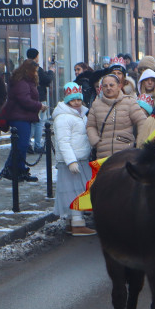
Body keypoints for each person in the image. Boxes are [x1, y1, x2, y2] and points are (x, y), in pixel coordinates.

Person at [52, 82, 95, 236]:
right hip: (73, 161)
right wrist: (71, 161)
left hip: (80, 159)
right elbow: (63, 142)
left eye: (79, 99)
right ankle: (78, 223)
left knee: (75, 191)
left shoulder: (79, 114)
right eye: (73, 100)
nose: (76, 102)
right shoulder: (64, 118)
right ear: (67, 100)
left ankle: (72, 221)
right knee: (76, 192)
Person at [87, 73, 147, 160]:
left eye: (111, 85)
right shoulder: (96, 105)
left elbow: (142, 121)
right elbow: (90, 126)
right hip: (103, 155)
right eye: (105, 86)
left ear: (119, 86)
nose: (108, 88)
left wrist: (140, 142)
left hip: (125, 155)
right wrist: (95, 141)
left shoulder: (129, 102)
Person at [1, 60, 44, 183]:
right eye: (35, 71)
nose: (36, 73)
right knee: (21, 145)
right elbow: (25, 100)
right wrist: (39, 105)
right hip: (19, 117)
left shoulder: (24, 81)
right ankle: (14, 169)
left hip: (23, 116)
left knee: (21, 145)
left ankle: (17, 169)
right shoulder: (22, 83)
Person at [25, 48, 54, 155]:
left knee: (32, 122)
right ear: (36, 56)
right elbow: (46, 79)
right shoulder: (36, 68)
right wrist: (51, 72)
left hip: (29, 98)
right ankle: (37, 145)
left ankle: (28, 143)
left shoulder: (23, 68)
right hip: (39, 98)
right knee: (38, 122)